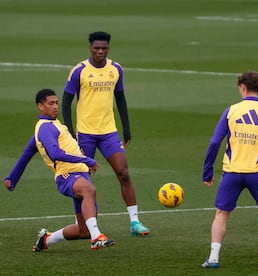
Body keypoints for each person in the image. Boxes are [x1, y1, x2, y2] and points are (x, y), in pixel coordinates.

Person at [3, 88, 115, 251]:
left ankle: (47, 239)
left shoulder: (52, 125)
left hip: (80, 174)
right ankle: (97, 236)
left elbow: (27, 154)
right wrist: (86, 159)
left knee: (83, 230)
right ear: (40, 106)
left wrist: (12, 178)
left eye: (56, 103)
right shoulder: (45, 127)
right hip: (67, 175)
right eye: (51, 103)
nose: (55, 106)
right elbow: (55, 153)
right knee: (89, 190)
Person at [62, 31, 150, 236]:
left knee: (124, 173)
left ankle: (135, 222)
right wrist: (68, 130)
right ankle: (83, 225)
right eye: (97, 48)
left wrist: (126, 127)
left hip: (109, 132)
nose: (100, 52)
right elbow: (66, 102)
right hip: (85, 134)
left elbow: (120, 98)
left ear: (108, 48)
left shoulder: (116, 69)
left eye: (104, 48)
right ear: (90, 48)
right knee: (82, 180)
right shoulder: (79, 71)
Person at [201, 71, 258, 268]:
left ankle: (213, 257)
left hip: (232, 173)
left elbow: (215, 142)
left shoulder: (231, 110)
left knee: (221, 213)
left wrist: (207, 171)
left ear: (242, 87)